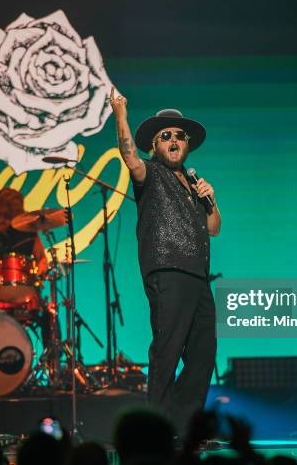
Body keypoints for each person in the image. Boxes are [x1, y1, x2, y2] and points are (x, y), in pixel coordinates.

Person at [109, 88, 221, 435]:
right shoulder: (150, 174)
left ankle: (183, 426)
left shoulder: (192, 181)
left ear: (187, 145)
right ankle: (153, 429)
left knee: (203, 356)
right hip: (168, 270)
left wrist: (211, 200)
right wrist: (120, 114)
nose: (173, 140)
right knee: (168, 351)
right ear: (154, 146)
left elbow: (214, 228)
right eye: (165, 136)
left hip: (199, 276)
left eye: (179, 136)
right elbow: (128, 157)